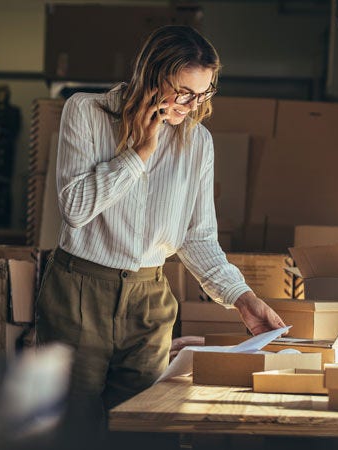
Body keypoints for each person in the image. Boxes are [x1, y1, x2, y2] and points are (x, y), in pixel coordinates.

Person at [35, 25, 286, 445]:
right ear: (152, 76)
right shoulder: (86, 112)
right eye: (184, 92)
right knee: (72, 429)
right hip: (78, 291)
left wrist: (242, 298)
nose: (193, 104)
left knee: (145, 430)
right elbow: (75, 209)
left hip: (149, 299)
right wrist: (139, 154)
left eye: (203, 94)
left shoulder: (198, 142)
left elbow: (198, 237)